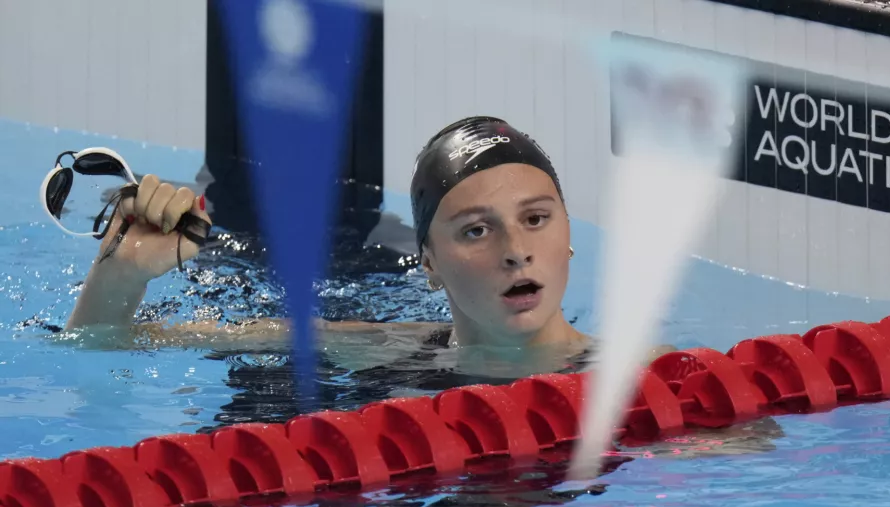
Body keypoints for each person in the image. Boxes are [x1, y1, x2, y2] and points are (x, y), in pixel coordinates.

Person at [64, 115, 674, 375]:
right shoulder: (383, 349)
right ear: (429, 264)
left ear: (570, 236)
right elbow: (104, 344)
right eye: (476, 230)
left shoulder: (647, 374)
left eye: (536, 218)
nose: (516, 250)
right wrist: (122, 273)